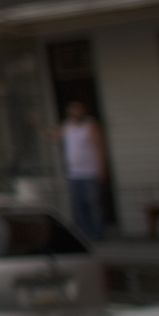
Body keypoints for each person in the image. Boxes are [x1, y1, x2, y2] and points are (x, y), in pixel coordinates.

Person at [52, 100, 107, 241]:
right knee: (78, 206)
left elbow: (99, 148)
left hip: (89, 172)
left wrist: (100, 168)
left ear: (83, 111)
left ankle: (97, 234)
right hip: (73, 174)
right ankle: (84, 234)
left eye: (77, 110)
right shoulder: (67, 126)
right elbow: (52, 137)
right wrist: (38, 124)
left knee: (93, 204)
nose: (75, 113)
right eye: (72, 110)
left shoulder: (90, 125)